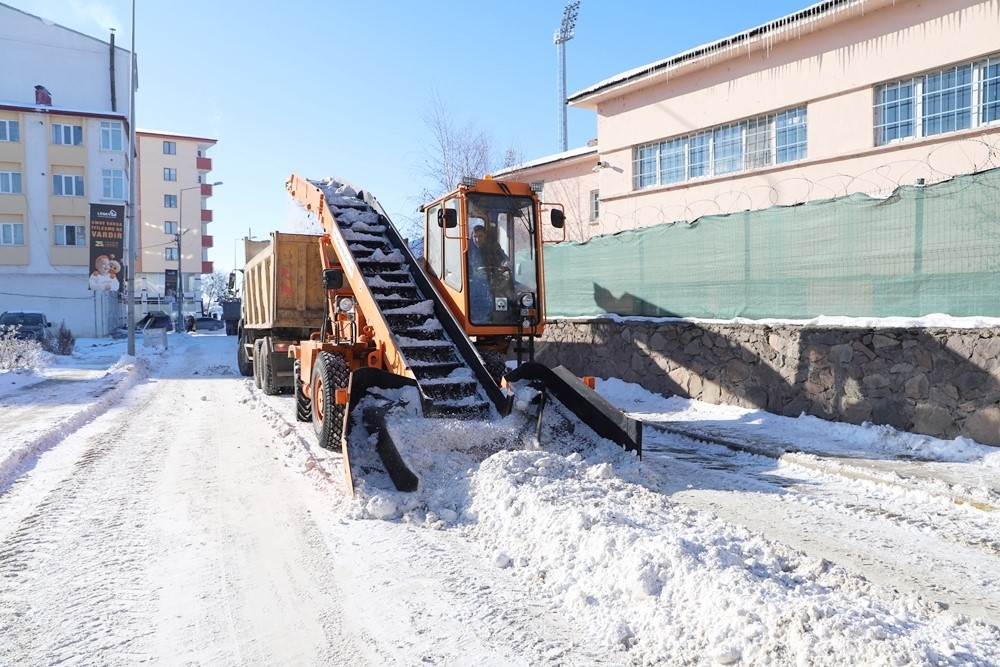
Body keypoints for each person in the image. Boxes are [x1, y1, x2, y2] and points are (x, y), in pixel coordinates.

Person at [467, 221, 510, 324]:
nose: (477, 239)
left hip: (493, 279)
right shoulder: (468, 248)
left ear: (485, 236)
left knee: (507, 288)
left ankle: (504, 317)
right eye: (475, 236)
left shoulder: (493, 246)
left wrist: (506, 263)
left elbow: (504, 258)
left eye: (480, 236)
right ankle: (476, 318)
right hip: (473, 282)